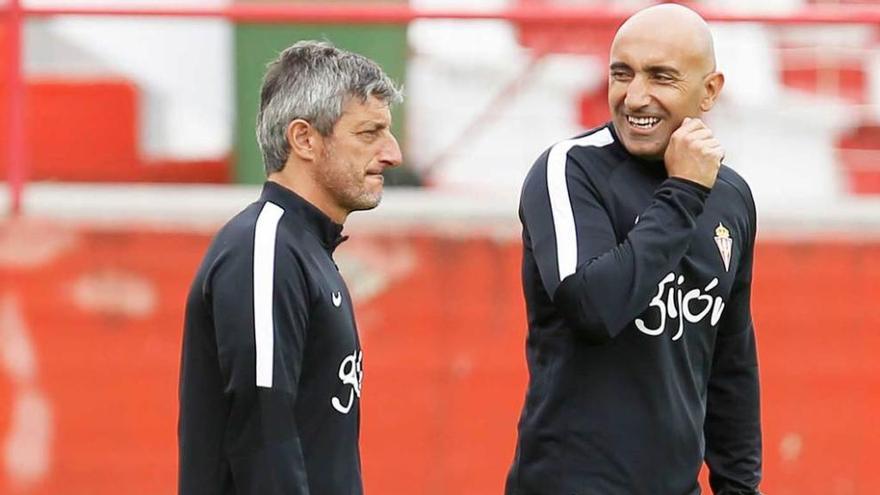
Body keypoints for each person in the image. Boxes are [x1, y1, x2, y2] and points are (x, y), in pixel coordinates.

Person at [506, 5, 762, 495]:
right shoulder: (568, 170)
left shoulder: (730, 195)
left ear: (709, 90)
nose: (635, 96)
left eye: (661, 77)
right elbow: (594, 307)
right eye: (621, 74)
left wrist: (740, 487)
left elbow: (731, 363)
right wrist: (683, 194)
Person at [178, 40, 402, 495]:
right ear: (304, 139)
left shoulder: (308, 252)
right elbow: (262, 429)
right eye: (368, 133)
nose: (392, 153)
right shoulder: (265, 246)